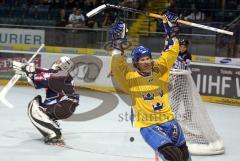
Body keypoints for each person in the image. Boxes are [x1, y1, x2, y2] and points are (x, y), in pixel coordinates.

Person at [110, 12, 192, 161]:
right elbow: (118, 67)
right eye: (142, 59)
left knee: (184, 156)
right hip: (148, 124)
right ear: (136, 63)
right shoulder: (131, 79)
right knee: (172, 155)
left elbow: (170, 54)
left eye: (148, 58)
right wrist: (117, 44)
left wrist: (171, 33)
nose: (146, 61)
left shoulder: (160, 71)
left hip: (169, 120)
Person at [13, 56, 79, 145]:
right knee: (40, 105)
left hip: (62, 106)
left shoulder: (60, 73)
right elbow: (42, 72)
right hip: (64, 106)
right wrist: (27, 69)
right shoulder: (62, 74)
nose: (56, 61)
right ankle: (52, 125)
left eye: (59, 61)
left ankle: (54, 134)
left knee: (34, 107)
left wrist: (29, 71)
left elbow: (39, 81)